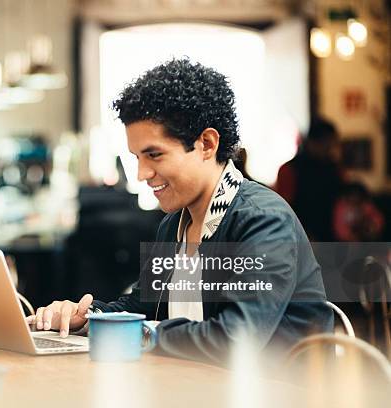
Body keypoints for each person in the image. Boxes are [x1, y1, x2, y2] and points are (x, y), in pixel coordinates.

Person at [26, 58, 333, 366]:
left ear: (207, 144)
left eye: (154, 155)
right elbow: (143, 304)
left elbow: (236, 339)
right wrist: (88, 318)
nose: (142, 174)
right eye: (136, 158)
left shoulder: (263, 220)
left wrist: (139, 333)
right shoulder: (173, 224)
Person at [276, 119, 343, 241]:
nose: (331, 149)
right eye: (327, 144)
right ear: (313, 142)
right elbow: (285, 210)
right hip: (301, 237)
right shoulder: (289, 170)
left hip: (332, 238)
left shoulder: (334, 169)